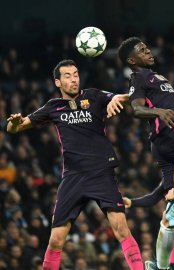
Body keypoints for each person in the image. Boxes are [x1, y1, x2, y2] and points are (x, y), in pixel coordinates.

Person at [6, 59, 144, 270]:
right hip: (73, 177)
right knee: (56, 240)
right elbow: (15, 128)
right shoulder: (54, 107)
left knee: (122, 229)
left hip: (101, 174)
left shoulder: (93, 96)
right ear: (58, 83)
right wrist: (14, 123)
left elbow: (119, 97)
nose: (73, 79)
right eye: (68, 76)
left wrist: (119, 98)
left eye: (76, 74)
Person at [115, 37, 174, 270]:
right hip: (172, 133)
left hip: (164, 141)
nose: (148, 51)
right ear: (132, 60)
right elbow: (136, 108)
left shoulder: (159, 78)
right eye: (142, 50)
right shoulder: (138, 77)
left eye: (147, 47)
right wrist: (160, 112)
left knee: (171, 193)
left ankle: (164, 265)